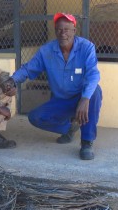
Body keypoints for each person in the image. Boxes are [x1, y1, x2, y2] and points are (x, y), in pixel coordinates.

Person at [8, 13, 102, 160]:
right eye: (59, 29)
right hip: (61, 100)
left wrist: (85, 99)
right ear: (55, 31)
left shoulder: (86, 47)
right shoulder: (47, 51)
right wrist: (13, 80)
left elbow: (93, 74)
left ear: (74, 31)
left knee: (95, 92)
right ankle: (70, 128)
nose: (63, 33)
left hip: (80, 96)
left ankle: (86, 142)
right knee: (35, 117)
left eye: (67, 29)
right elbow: (28, 68)